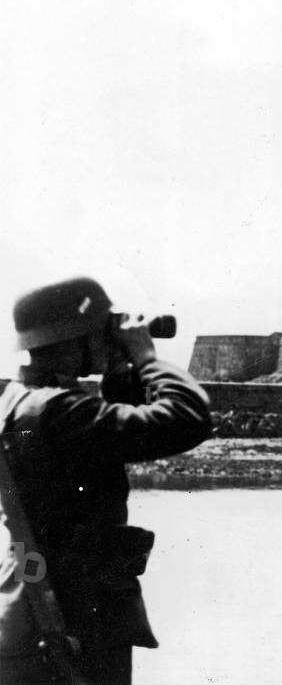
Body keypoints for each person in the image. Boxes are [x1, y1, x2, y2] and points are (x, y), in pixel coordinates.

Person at [0, 277, 212, 683]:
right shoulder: (61, 411)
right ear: (75, 337)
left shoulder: (21, 401)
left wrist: (120, 373)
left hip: (36, 604)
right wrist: (146, 359)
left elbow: (114, 435)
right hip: (76, 617)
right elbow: (187, 419)